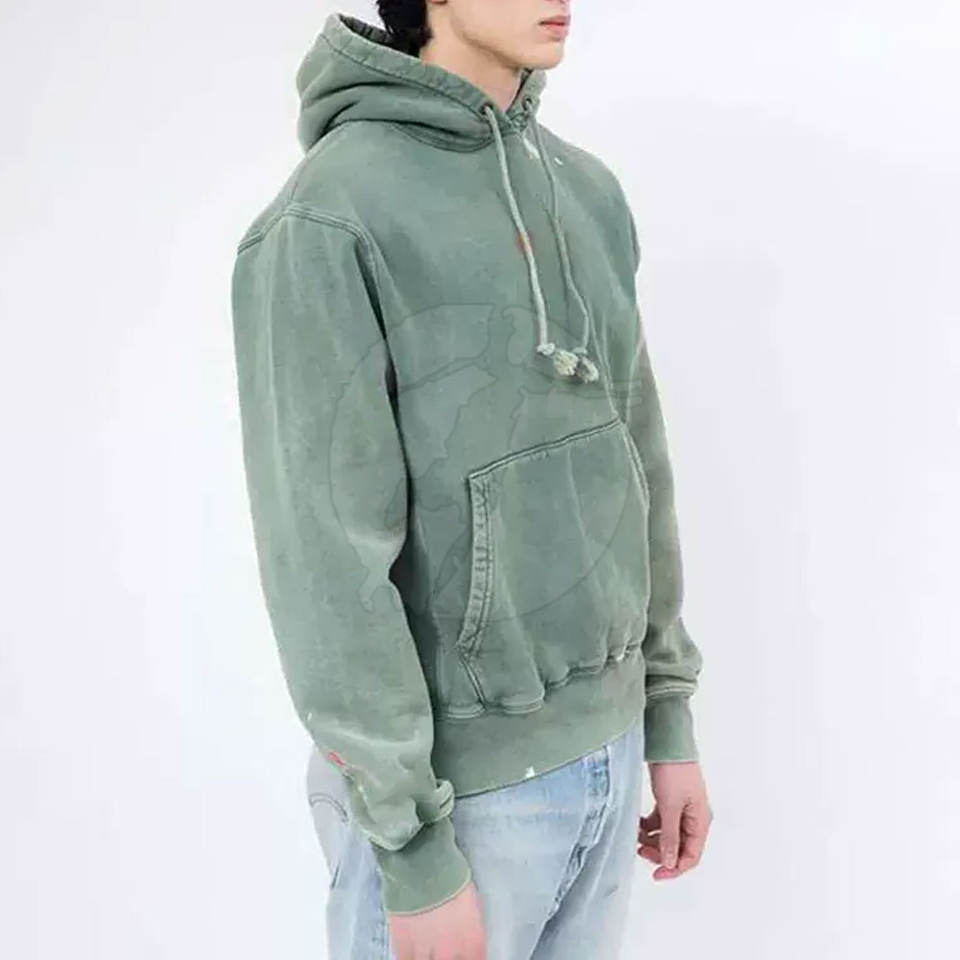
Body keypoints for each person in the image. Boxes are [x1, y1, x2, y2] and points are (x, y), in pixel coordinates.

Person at [230, 3, 713, 958]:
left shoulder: (585, 190)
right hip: (458, 800)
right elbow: (325, 562)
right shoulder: (327, 219)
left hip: (612, 750)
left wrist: (666, 717)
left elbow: (639, 460)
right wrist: (411, 849)